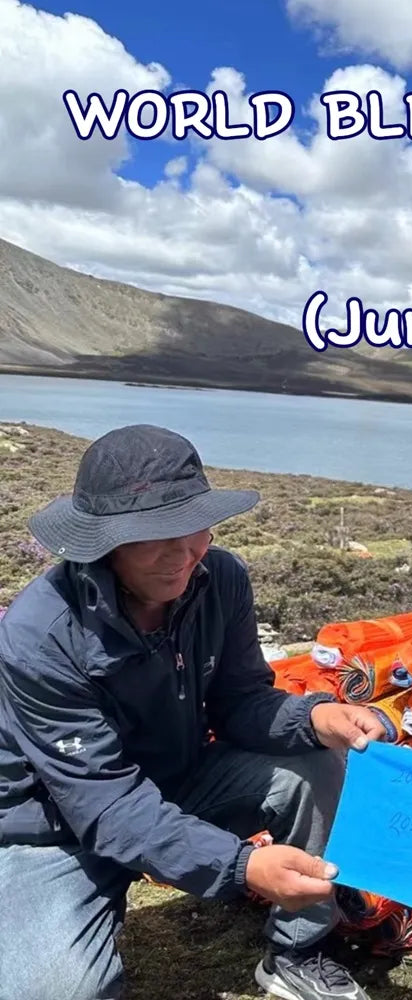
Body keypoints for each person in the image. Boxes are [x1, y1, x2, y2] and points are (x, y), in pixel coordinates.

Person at [0, 424, 388, 1000]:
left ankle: (297, 950)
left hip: (177, 780)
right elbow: (106, 805)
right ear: (102, 541)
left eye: (195, 528)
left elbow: (239, 702)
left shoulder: (220, 579)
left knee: (314, 763)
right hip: (57, 829)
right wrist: (240, 867)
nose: (184, 554)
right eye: (155, 536)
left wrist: (314, 718)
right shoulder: (39, 636)